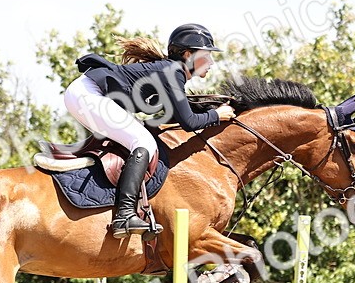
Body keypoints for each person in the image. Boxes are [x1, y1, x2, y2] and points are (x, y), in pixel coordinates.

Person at [64, 23, 237, 237]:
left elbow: (176, 114)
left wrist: (212, 110)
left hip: (85, 93)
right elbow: (188, 122)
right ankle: (125, 215)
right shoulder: (173, 73)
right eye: (206, 55)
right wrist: (217, 116)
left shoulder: (171, 72)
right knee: (144, 143)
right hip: (88, 94)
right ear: (188, 55)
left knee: (138, 138)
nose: (211, 61)